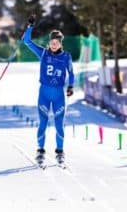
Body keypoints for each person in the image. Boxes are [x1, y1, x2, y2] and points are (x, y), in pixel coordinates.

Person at [23, 15, 74, 166]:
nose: (53, 45)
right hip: (44, 93)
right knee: (43, 123)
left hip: (58, 94)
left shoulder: (66, 57)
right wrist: (30, 26)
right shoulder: (43, 53)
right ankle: (40, 151)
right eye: (51, 42)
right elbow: (26, 41)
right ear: (49, 42)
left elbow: (71, 73)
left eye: (56, 43)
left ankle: (60, 152)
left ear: (60, 43)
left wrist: (70, 86)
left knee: (59, 124)